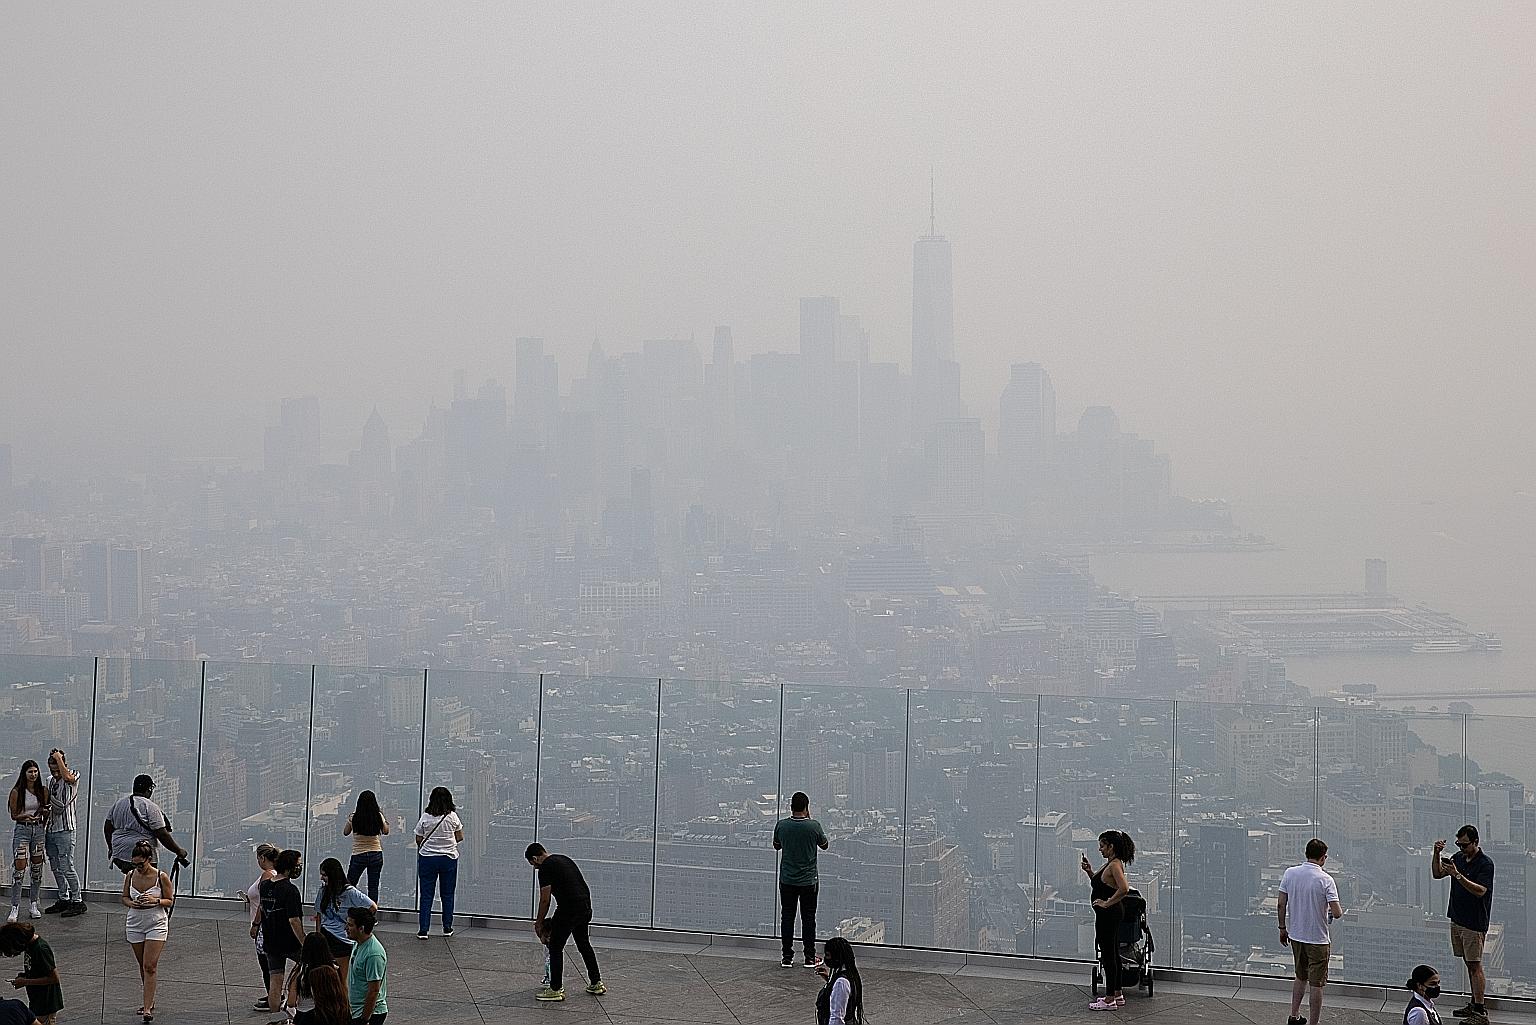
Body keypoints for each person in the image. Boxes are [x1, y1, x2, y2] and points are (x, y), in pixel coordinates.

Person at [1432, 825, 1495, 1025]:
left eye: (1465, 844)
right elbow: (1437, 874)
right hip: (1457, 918)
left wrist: (1458, 875)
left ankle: (1480, 1009)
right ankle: (1473, 1003)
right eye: (1458, 844)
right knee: (1468, 963)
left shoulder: (1485, 864)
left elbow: (1481, 891)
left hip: (1474, 922)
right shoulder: (1458, 858)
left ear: (1475, 842)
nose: (1461, 848)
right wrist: (1436, 854)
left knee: (1475, 964)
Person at [525, 843, 603, 1002]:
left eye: (533, 865)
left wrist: (538, 923)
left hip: (569, 908)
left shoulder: (545, 868)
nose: (535, 868)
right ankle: (596, 983)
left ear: (535, 858)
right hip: (585, 906)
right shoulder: (563, 859)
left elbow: (545, 900)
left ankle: (555, 989)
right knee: (583, 944)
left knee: (555, 947)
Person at [1279, 838, 1345, 1025]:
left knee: (1300, 977)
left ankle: (1294, 1015)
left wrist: (1282, 928)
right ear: (1323, 857)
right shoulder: (1326, 880)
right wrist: (1332, 911)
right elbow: (1337, 912)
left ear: (1306, 853)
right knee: (1316, 984)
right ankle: (1313, 1023)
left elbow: (1280, 904)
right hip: (1318, 939)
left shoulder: (1290, 873)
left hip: (1296, 936)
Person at [773, 791, 829, 969]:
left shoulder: (782, 825)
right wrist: (810, 820)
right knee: (808, 918)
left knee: (787, 917)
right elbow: (824, 845)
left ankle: (787, 957)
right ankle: (809, 957)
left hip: (787, 879)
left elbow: (776, 845)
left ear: (791, 807)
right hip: (808, 881)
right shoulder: (814, 826)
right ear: (807, 807)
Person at [121, 840, 173, 1024]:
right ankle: (149, 998)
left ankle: (147, 1008)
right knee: (143, 965)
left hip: (156, 922)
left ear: (149, 859)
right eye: (135, 864)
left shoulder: (161, 876)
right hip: (135, 922)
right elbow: (125, 897)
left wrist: (155, 900)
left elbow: (170, 900)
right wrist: (131, 903)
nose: (138, 868)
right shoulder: (129, 875)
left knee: (150, 965)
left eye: (141, 864)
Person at [1084, 830, 1136, 1011]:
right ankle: (1117, 994)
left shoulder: (1114, 865)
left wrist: (1106, 904)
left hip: (1109, 915)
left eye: (1102, 846)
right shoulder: (1111, 864)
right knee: (1112, 952)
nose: (1100, 849)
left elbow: (1124, 889)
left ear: (1111, 847)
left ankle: (1109, 999)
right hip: (1110, 914)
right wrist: (1089, 871)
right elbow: (1102, 885)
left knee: (1108, 955)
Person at [255, 850, 306, 1017]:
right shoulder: (290, 890)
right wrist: (304, 942)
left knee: (275, 984)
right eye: (298, 865)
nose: (299, 868)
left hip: (271, 942)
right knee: (307, 964)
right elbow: (294, 920)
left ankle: (275, 1017)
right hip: (290, 942)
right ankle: (293, 996)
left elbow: (262, 908)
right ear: (289, 867)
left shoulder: (265, 885)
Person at [103, 776, 188, 875]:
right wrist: (178, 851)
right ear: (149, 789)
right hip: (142, 855)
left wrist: (111, 848)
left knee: (132, 881)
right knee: (147, 885)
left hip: (119, 855)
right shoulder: (150, 807)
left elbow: (107, 828)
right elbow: (162, 834)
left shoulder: (119, 803)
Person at [313, 858, 375, 982]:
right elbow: (319, 915)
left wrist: (356, 922)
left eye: (324, 875)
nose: (321, 878)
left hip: (342, 939)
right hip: (328, 936)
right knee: (332, 976)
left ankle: (341, 1000)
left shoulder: (350, 892)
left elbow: (372, 907)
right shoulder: (323, 891)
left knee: (341, 977)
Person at [412, 787, 462, 939]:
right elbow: (459, 837)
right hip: (448, 859)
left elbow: (418, 839)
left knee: (426, 895)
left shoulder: (425, 817)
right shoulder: (453, 817)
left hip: (427, 859)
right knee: (447, 894)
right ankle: (447, 927)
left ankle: (423, 930)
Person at [40, 752, 81, 918]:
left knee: (67, 866)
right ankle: (63, 897)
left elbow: (68, 779)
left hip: (66, 828)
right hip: (51, 828)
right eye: (53, 768)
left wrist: (59, 758)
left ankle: (77, 900)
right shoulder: (49, 781)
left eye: (57, 767)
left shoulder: (73, 774)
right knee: (55, 866)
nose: (55, 772)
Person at [8, 762, 47, 924]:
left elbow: (45, 809)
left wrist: (42, 817)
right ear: (24, 773)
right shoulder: (17, 792)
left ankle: (33, 903)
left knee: (37, 869)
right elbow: (14, 815)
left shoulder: (42, 791)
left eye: (35, 771)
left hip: (38, 830)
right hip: (23, 829)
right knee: (19, 868)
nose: (33, 774)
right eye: (30, 771)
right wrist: (25, 816)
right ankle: (15, 906)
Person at [0, 923, 62, 1025]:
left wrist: (25, 981)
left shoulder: (41, 949)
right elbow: (38, 971)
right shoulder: (30, 947)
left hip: (46, 1004)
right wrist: (25, 976)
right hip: (37, 1001)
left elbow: (54, 978)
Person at [243, 844, 280, 1013]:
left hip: (263, 927)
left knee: (266, 965)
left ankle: (274, 996)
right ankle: (272, 993)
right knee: (268, 964)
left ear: (262, 858)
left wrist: (256, 925)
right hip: (268, 926)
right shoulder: (273, 875)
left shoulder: (267, 875)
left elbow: (264, 902)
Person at [277, 934, 336, 1025]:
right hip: (326, 1015)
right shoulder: (332, 970)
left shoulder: (300, 971)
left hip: (304, 1014)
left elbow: (291, 1002)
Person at [343, 792, 389, 904]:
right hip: (375, 853)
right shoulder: (378, 816)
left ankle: (348, 910)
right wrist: (383, 819)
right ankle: (371, 915)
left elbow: (345, 832)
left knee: (350, 885)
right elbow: (386, 831)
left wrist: (351, 822)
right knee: (373, 887)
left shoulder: (354, 817)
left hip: (358, 854)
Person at [343, 907, 386, 1025]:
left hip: (369, 1014)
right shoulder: (358, 943)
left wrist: (364, 1019)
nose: (346, 928)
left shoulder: (373, 954)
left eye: (350, 925)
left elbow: (374, 990)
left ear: (361, 928)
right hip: (356, 1011)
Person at [814, 936, 864, 1025]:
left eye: (828, 955)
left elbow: (837, 1017)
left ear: (837, 957)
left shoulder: (841, 982)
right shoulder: (851, 974)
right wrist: (829, 980)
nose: (826, 958)